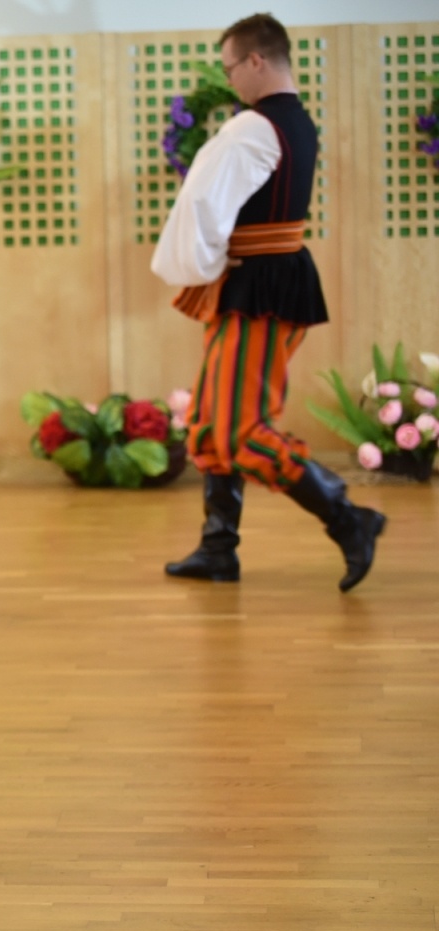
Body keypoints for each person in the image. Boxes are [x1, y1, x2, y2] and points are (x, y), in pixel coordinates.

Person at [154, 14, 384, 591]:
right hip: (267, 281)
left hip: (258, 287)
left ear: (257, 60)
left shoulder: (252, 129)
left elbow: (203, 208)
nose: (230, 79)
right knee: (209, 420)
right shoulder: (297, 123)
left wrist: (203, 267)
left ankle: (348, 517)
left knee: (238, 430)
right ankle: (218, 549)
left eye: (232, 66)